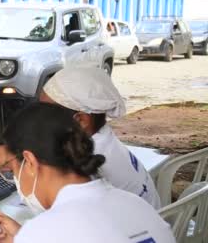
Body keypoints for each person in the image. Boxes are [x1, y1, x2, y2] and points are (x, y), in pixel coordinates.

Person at [0, 67, 161, 209]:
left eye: (48, 112)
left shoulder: (88, 162)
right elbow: (9, 156)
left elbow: (9, 157)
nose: (40, 117)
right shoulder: (99, 140)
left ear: (81, 120)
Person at [0, 103, 175, 243]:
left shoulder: (46, 231)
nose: (14, 178)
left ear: (30, 162)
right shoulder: (137, 205)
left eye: (12, 170)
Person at [40, 67, 161, 209]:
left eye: (45, 114)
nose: (38, 120)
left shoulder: (88, 162)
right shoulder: (104, 141)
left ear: (81, 120)